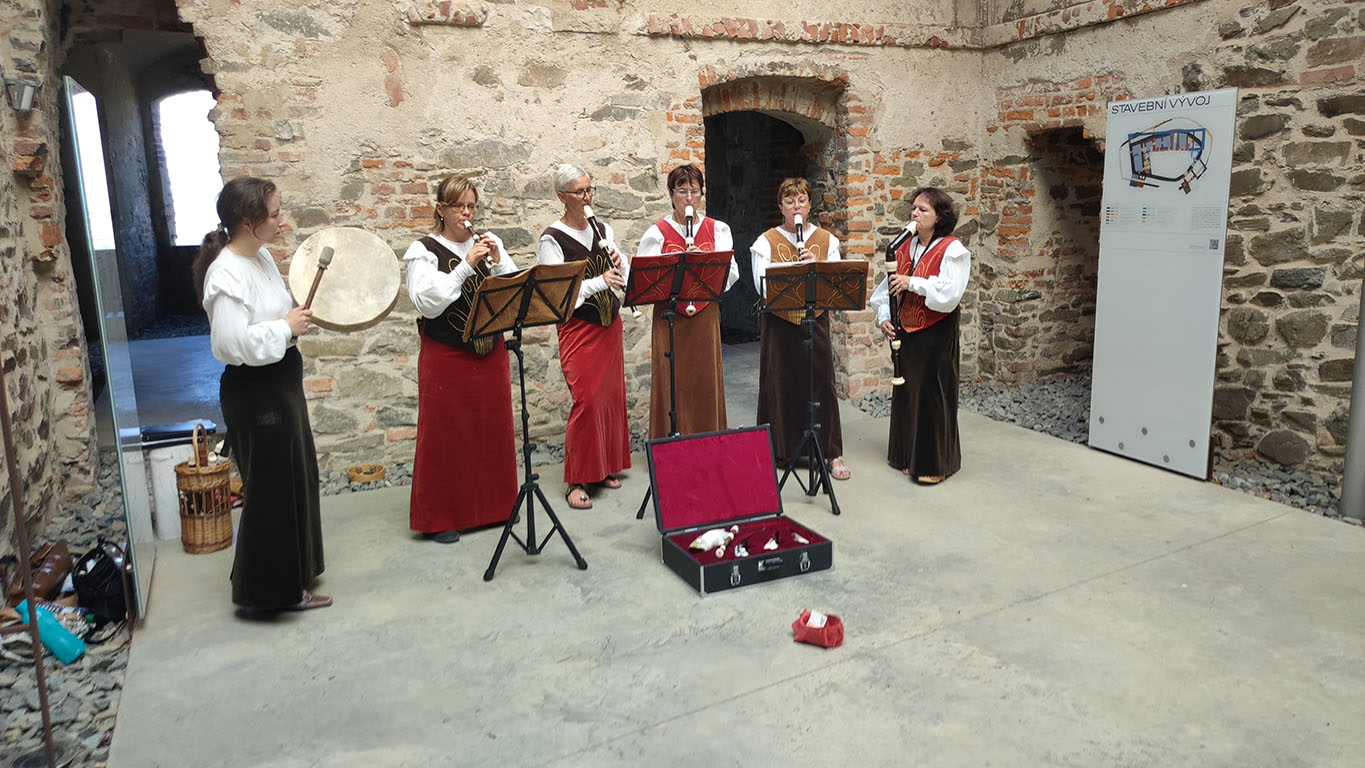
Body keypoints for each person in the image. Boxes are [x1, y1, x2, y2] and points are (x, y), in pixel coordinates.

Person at [194, 176, 330, 611]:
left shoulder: (263, 257)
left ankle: (295, 572)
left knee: (295, 476)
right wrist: (285, 328)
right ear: (248, 222)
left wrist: (291, 321)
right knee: (271, 490)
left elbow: (272, 315)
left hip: (281, 382)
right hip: (256, 393)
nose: (281, 221)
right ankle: (271, 592)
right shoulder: (225, 275)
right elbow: (228, 345)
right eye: (274, 214)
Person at [403, 174, 519, 543]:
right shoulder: (423, 251)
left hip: (490, 352)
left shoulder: (487, 241)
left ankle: (496, 508)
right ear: (441, 209)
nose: (467, 213)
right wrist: (467, 264)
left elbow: (514, 291)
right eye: (458, 207)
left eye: (471, 206)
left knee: (491, 431)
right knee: (447, 436)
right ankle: (441, 518)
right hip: (447, 355)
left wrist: (498, 262)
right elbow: (428, 302)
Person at [536, 164, 633, 510]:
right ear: (562, 197)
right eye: (580, 192)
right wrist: (598, 282)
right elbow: (557, 296)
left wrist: (620, 265)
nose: (587, 197)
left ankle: (602, 468)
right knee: (587, 401)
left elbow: (622, 275)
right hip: (578, 328)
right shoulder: (552, 239)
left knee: (609, 399)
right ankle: (577, 479)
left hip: (609, 326)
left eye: (590, 189)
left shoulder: (602, 229)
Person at [869, 186, 971, 484]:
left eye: (923, 209)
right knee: (909, 393)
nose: (915, 213)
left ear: (939, 216)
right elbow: (885, 291)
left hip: (936, 331)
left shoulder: (952, 249)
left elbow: (950, 293)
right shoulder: (905, 247)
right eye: (914, 208)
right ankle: (909, 457)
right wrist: (884, 317)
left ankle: (933, 464)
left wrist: (912, 283)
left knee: (932, 395)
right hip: (907, 330)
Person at [750, 178, 849, 479]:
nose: (796, 206)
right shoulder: (766, 241)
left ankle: (831, 453)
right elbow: (762, 287)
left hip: (815, 319)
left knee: (822, 382)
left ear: (809, 205)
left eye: (802, 200)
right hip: (780, 323)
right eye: (790, 201)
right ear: (780, 207)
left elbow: (835, 284)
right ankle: (781, 449)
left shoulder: (826, 240)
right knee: (780, 382)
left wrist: (816, 266)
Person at [636, 164, 739, 438]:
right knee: (671, 381)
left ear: (702, 193)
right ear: (671, 194)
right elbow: (645, 279)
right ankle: (670, 446)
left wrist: (703, 264)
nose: (689, 198)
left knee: (705, 381)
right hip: (669, 318)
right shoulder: (657, 232)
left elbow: (731, 273)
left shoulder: (718, 229)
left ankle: (708, 442)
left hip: (704, 316)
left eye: (695, 191)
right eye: (682, 191)